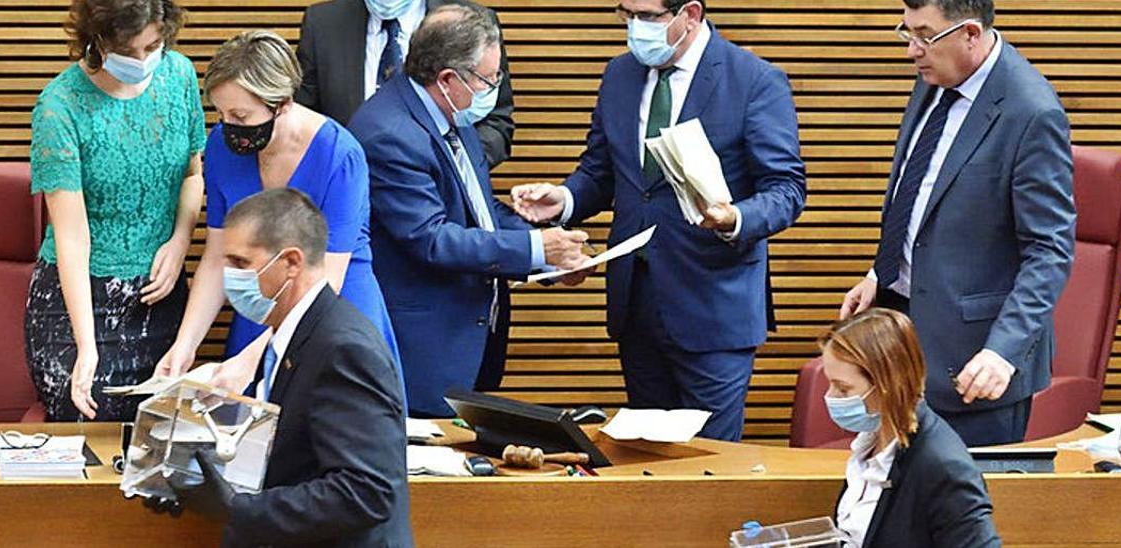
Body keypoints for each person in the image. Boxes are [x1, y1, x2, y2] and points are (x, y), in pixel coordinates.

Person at [509, 0, 806, 441]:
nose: (634, 27)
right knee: (647, 462)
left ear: (691, 14)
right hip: (637, 303)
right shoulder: (619, 75)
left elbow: (786, 190)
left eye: (647, 17)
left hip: (713, 305)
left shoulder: (754, 81)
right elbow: (601, 171)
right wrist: (564, 198)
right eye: (625, 14)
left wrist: (734, 218)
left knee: (711, 465)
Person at [838, 0, 1075, 446]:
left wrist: (1002, 352)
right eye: (906, 32)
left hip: (975, 364)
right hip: (905, 342)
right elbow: (922, 189)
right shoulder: (936, 75)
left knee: (964, 511)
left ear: (969, 33)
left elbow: (1049, 250)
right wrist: (883, 273)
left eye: (924, 35)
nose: (912, 49)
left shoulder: (1031, 112)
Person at [348, 4, 590, 417]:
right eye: (488, 78)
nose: (494, 88)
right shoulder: (389, 134)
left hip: (467, 340)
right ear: (447, 79)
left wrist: (553, 260)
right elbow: (433, 239)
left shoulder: (450, 117)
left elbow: (479, 214)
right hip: (419, 350)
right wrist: (535, 248)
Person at [146, 188, 413, 547]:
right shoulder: (291, 334)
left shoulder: (343, 348)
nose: (228, 278)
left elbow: (367, 491)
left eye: (240, 264)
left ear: (291, 262)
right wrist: (192, 474)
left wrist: (240, 508)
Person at [153, 30, 406, 407]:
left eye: (240, 115)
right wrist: (185, 345)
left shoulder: (339, 154)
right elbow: (216, 257)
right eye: (221, 113)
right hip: (261, 302)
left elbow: (327, 280)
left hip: (334, 310)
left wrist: (257, 357)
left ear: (282, 104)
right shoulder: (223, 148)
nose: (228, 126)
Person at [25, 0, 204, 421]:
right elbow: (71, 236)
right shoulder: (60, 106)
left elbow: (193, 174)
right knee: (90, 450)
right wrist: (86, 347)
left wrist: (180, 242)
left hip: (160, 297)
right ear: (98, 39)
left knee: (159, 455)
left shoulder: (178, 76)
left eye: (153, 45)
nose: (144, 60)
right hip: (79, 304)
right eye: (129, 51)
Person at [820, 308, 1001, 547]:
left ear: (886, 385)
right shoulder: (872, 441)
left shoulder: (943, 466)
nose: (829, 397)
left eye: (843, 389)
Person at [296, 0, 516, 167]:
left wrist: (453, 168)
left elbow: (496, 122)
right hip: (348, 193)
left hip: (444, 202)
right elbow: (302, 119)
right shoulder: (323, 24)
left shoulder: (471, 21)